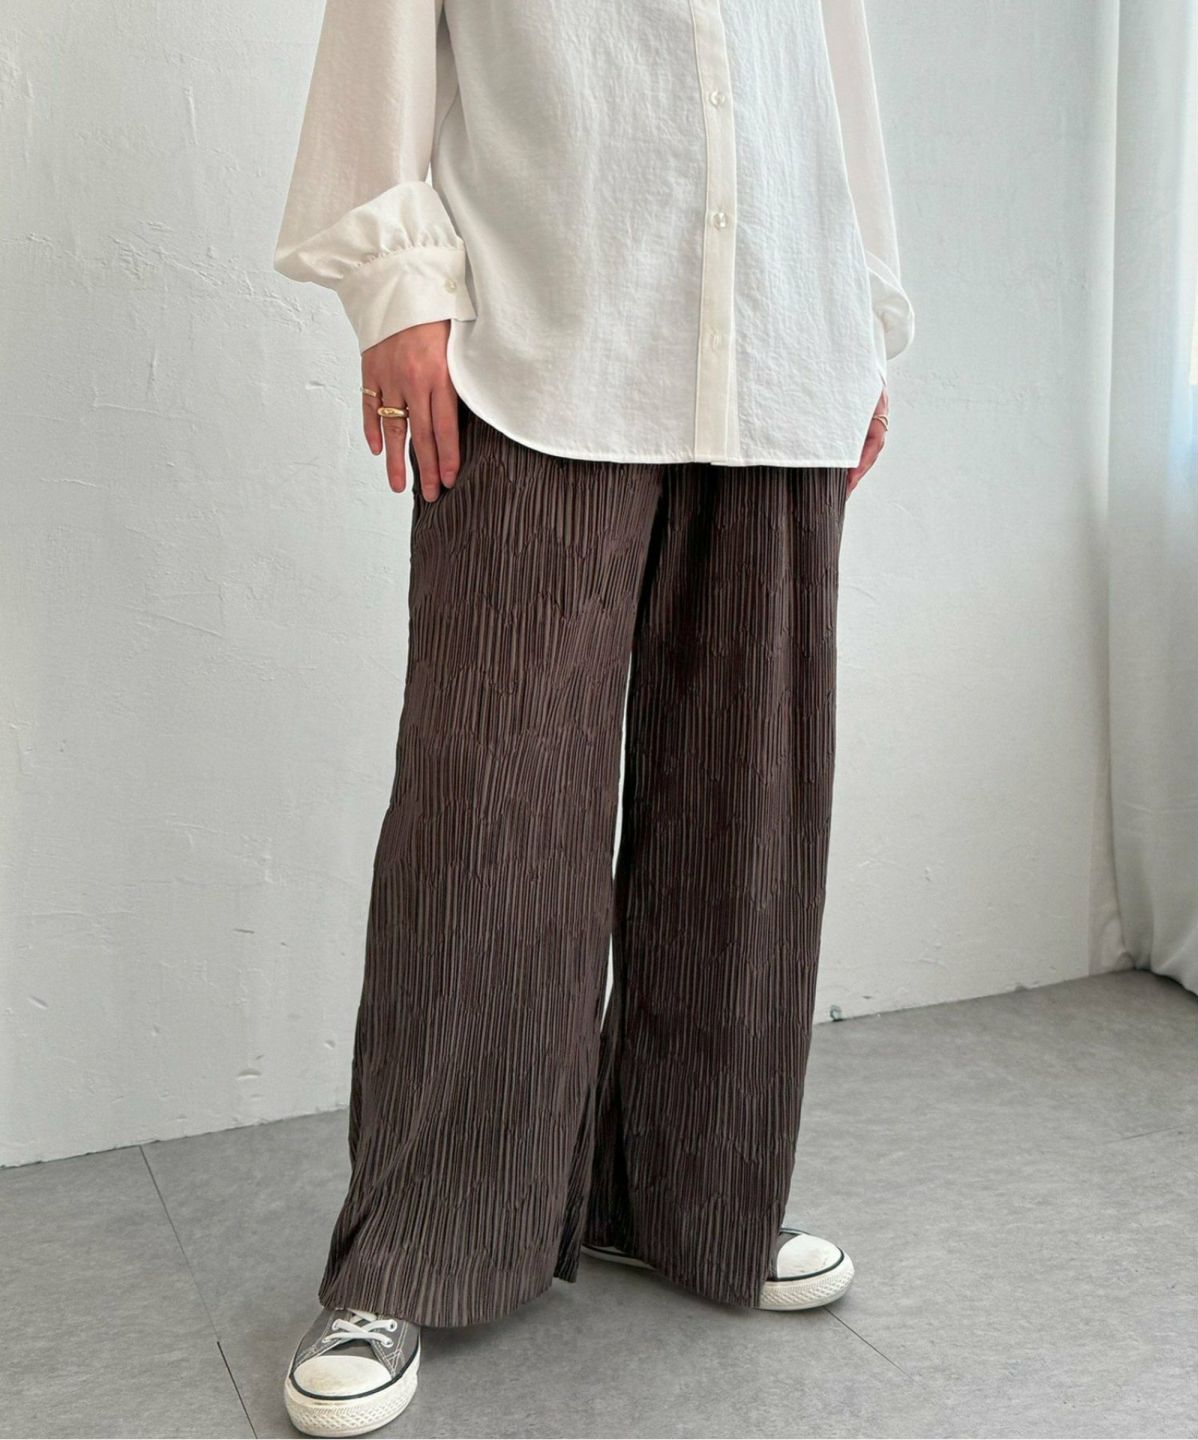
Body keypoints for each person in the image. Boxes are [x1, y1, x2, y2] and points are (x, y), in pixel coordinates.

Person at [272, 1, 914, 1433]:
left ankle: (689, 1199)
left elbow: (831, 68)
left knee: (746, 811)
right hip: (540, 333)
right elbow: (384, 38)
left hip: (776, 334)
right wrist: (396, 293)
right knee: (488, 818)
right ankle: (406, 1254)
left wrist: (862, 310)